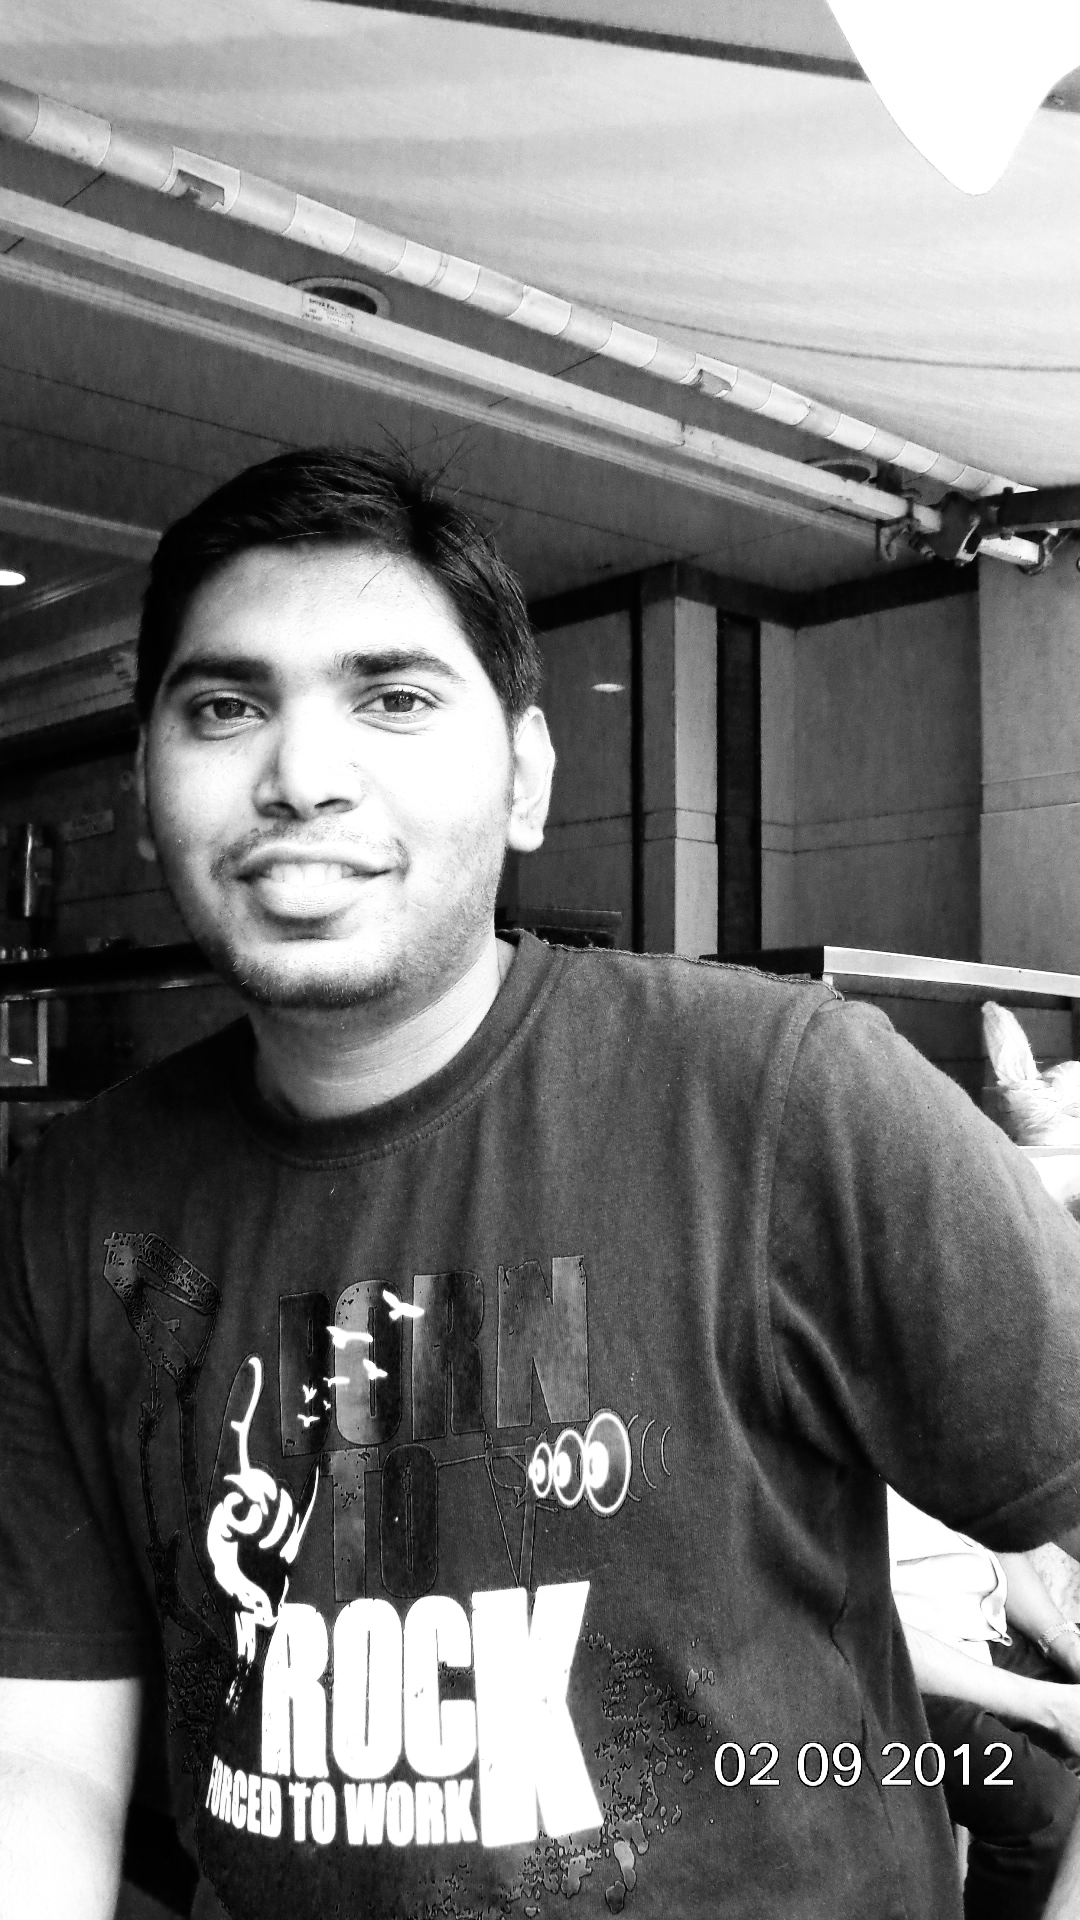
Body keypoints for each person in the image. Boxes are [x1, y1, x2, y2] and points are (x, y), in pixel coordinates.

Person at [5, 449, 1080, 1920]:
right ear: (144, 787)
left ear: (526, 779)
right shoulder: (78, 1205)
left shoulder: (784, 1099)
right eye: (225, 707)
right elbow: (40, 1752)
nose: (303, 774)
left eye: (394, 699)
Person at [890, 1489, 1080, 1918]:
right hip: (898, 1670)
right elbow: (865, 1626)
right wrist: (1053, 1706)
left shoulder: (942, 1455)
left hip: (988, 1629)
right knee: (1049, 1816)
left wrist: (1067, 1645)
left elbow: (991, 1536)